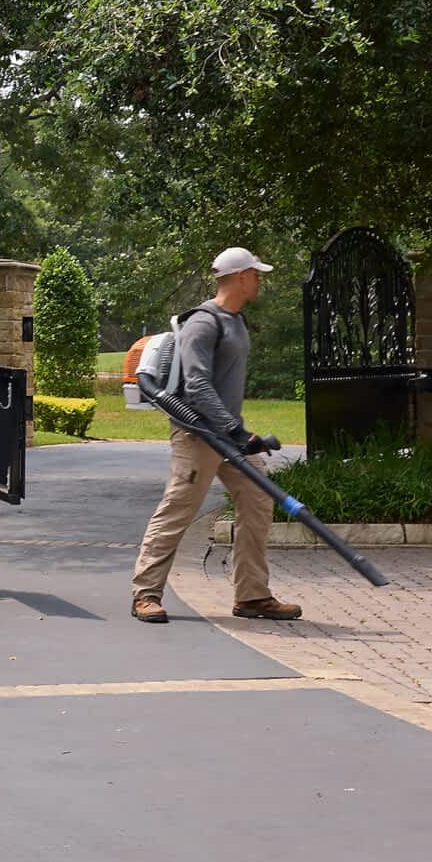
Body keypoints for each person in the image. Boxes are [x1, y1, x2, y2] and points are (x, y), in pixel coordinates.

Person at [131, 248, 302, 625]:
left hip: (229, 436)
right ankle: (145, 594)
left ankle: (252, 595)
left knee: (258, 501)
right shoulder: (203, 323)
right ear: (241, 276)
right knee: (179, 509)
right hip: (198, 436)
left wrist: (237, 434)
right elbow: (197, 386)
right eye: (256, 274)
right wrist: (236, 430)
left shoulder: (237, 321)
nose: (260, 280)